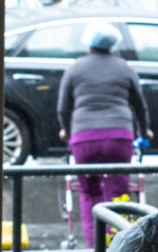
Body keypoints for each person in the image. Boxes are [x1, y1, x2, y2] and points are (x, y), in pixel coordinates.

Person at [56, 21, 152, 218]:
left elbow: (63, 108)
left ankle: (95, 246)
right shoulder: (125, 68)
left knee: (89, 193)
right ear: (112, 45)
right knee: (118, 195)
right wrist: (144, 130)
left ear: (88, 44)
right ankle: (115, 244)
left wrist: (65, 130)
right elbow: (140, 106)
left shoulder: (75, 68)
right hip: (119, 137)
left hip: (84, 138)